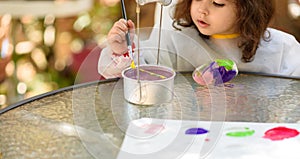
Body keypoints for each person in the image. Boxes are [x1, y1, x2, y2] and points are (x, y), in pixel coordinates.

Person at [98, 0, 300, 79]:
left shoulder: (281, 48)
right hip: (190, 139)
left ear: (249, 9)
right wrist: (121, 50)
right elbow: (140, 78)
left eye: (217, 3)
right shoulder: (175, 42)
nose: (202, 9)